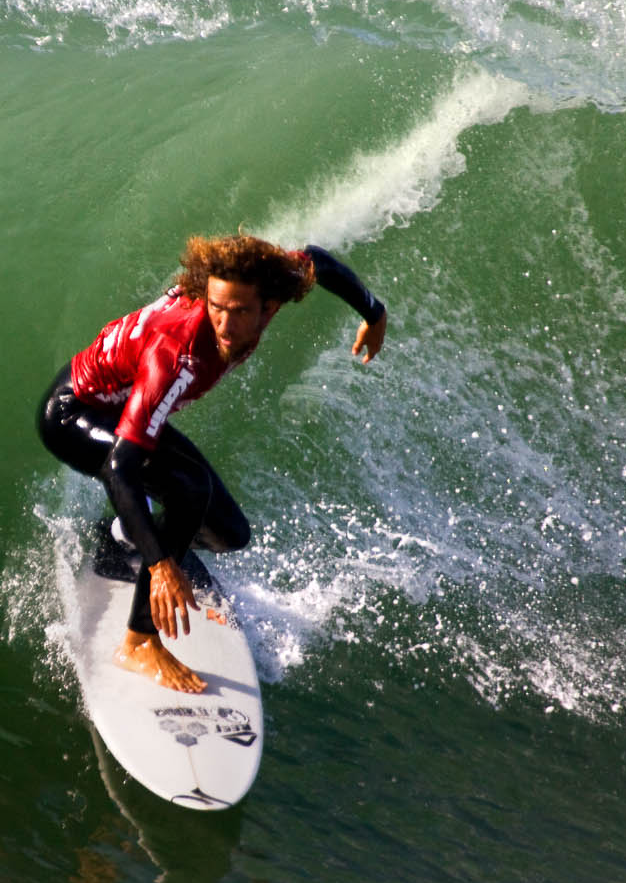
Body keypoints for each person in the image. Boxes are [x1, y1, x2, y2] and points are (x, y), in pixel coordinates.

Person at [37, 232, 387, 694]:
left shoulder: (273, 285)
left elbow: (318, 261)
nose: (224, 323)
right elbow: (120, 467)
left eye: (239, 311)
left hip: (126, 406)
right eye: (216, 307)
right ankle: (139, 641)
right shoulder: (176, 355)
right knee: (188, 488)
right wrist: (162, 565)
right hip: (75, 413)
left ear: (269, 305)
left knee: (229, 533)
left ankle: (120, 538)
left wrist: (374, 312)